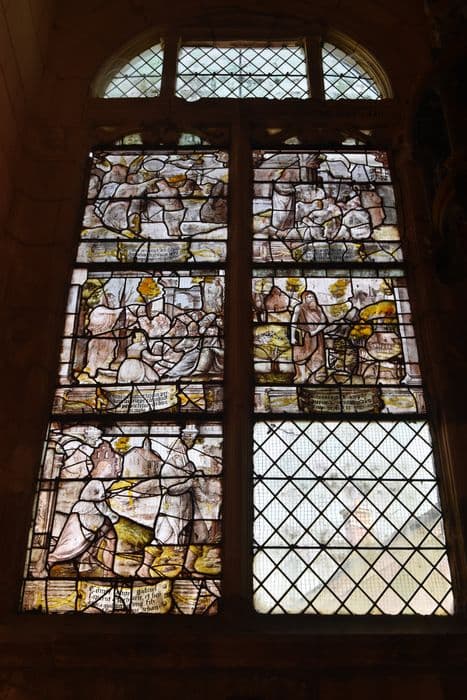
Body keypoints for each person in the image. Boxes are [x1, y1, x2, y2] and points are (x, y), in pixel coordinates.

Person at [291, 290, 327, 383]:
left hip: (317, 336)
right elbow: (293, 323)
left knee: (317, 357)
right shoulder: (299, 308)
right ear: (304, 299)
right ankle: (302, 376)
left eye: (313, 297)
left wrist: (316, 331)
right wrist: (292, 337)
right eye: (309, 297)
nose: (312, 299)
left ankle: (313, 378)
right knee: (300, 356)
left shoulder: (318, 308)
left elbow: (324, 322)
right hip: (303, 336)